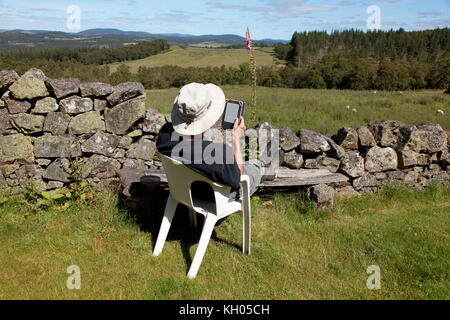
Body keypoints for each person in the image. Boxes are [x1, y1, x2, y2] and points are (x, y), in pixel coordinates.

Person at [156, 82, 274, 200]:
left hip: (183, 192)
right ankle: (265, 164)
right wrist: (236, 137)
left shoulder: (165, 135)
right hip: (213, 197)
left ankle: (265, 162)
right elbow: (237, 178)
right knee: (253, 169)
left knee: (246, 164)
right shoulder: (218, 153)